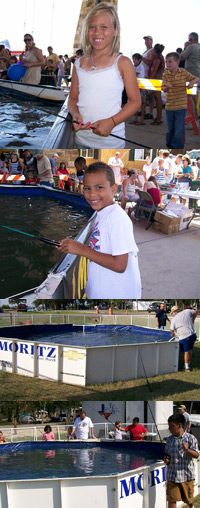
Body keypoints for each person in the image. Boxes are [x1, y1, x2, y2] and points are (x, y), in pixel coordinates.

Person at [58, 162, 141, 299]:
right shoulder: (101, 213)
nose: (92, 194)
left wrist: (82, 249)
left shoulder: (117, 218)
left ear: (113, 188)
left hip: (117, 295)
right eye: (87, 188)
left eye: (99, 187)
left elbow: (120, 265)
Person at [68, 2, 141, 148]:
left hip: (111, 143)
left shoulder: (123, 63)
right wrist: (75, 113)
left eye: (104, 27)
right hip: (81, 139)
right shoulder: (78, 64)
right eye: (92, 27)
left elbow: (135, 101)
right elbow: (73, 97)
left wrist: (112, 122)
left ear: (115, 31)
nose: (97, 32)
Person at [162, 52, 199, 149]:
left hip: (181, 107)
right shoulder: (166, 74)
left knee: (179, 129)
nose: (167, 64)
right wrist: (167, 87)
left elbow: (196, 78)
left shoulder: (183, 72)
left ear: (177, 62)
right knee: (171, 129)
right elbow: (163, 89)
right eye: (166, 62)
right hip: (169, 107)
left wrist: (192, 82)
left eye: (170, 61)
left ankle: (177, 148)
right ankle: (170, 146)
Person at [164, 413, 199, 508]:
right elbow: (167, 455)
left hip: (186, 476)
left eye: (171, 426)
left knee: (189, 500)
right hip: (172, 475)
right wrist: (166, 460)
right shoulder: (169, 440)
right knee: (171, 500)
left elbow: (196, 455)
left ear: (179, 425)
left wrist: (187, 450)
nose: (169, 429)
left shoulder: (191, 438)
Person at [170, 305, 198, 371]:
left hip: (184, 336)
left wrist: (173, 334)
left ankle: (186, 367)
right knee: (190, 350)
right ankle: (189, 363)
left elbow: (171, 329)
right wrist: (193, 319)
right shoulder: (187, 311)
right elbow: (196, 311)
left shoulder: (174, 319)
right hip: (192, 334)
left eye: (173, 313)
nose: (173, 314)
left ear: (174, 312)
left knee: (186, 352)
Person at [181, 32, 200, 123]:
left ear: (191, 40)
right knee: (195, 95)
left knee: (189, 96)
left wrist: (185, 47)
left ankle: (193, 119)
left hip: (191, 73)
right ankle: (196, 116)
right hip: (197, 72)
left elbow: (181, 57)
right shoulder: (198, 46)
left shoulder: (191, 47)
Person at [148, 44, 165, 125]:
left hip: (156, 80)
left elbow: (154, 70)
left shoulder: (157, 58)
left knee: (157, 98)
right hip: (158, 79)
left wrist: (150, 80)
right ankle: (158, 117)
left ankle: (159, 118)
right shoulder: (161, 57)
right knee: (158, 98)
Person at [131, 53, 146, 125]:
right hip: (135, 86)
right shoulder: (134, 66)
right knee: (135, 103)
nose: (134, 60)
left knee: (142, 104)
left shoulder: (141, 67)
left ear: (139, 60)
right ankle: (136, 118)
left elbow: (134, 73)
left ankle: (142, 119)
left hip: (141, 87)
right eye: (133, 59)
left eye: (135, 59)